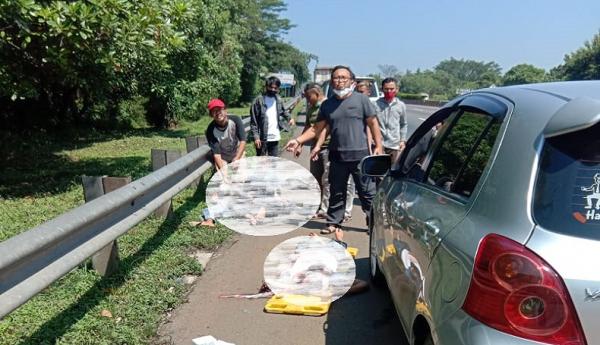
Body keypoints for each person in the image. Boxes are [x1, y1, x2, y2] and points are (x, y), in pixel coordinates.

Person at [285, 65, 383, 235]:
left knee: (367, 193)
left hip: (359, 155)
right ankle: (333, 222)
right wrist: (298, 140)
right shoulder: (328, 105)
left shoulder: (362, 100)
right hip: (337, 155)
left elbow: (373, 123)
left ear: (351, 81)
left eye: (343, 78)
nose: (339, 81)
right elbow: (317, 128)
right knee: (337, 191)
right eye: (336, 78)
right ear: (332, 81)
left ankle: (373, 223)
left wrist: (379, 146)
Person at [298, 83, 354, 222]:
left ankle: (326, 209)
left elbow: (324, 129)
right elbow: (308, 127)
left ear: (316, 93)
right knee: (316, 178)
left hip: (328, 147)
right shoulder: (311, 108)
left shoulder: (328, 107)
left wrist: (319, 145)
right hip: (315, 147)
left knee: (328, 180)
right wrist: (300, 143)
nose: (307, 99)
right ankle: (319, 206)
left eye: (308, 96)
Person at [191, 98, 246, 227]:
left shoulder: (235, 120)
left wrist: (237, 159)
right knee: (222, 184)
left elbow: (243, 141)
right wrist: (224, 173)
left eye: (219, 110)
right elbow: (217, 155)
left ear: (225, 110)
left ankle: (237, 209)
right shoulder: (210, 130)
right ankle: (212, 215)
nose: (218, 113)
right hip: (222, 158)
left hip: (237, 154)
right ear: (211, 115)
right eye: (214, 111)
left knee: (241, 182)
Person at [250, 76, 295, 156]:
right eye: (271, 87)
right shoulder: (258, 101)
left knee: (274, 163)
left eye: (276, 88)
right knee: (261, 164)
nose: (273, 90)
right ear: (267, 86)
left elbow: (283, 111)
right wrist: (256, 137)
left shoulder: (278, 100)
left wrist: (290, 118)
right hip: (262, 138)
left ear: (278, 88)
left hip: (275, 137)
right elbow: (254, 122)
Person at [374, 77, 408, 164]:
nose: (389, 91)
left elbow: (403, 124)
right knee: (377, 171)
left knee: (390, 171)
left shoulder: (401, 105)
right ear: (382, 89)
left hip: (393, 144)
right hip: (378, 143)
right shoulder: (375, 105)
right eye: (386, 89)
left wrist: (402, 140)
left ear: (397, 89)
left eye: (391, 89)